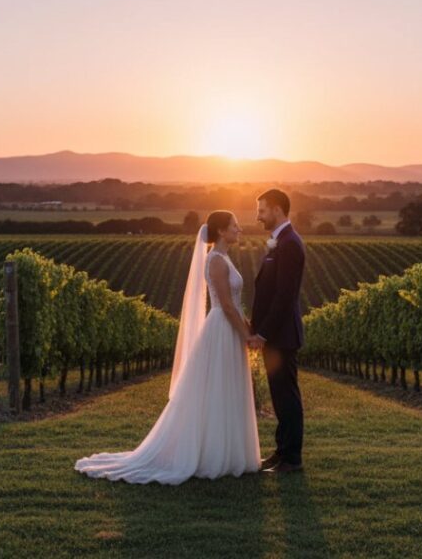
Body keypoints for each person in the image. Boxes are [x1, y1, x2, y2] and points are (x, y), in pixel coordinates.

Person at [74, 211, 260, 485]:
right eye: (235, 226)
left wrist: (250, 329)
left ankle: (228, 451)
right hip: (222, 328)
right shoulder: (217, 261)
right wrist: (247, 335)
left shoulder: (225, 258)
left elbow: (236, 303)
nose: (239, 229)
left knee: (227, 387)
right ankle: (214, 454)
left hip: (229, 328)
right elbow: (227, 306)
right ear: (221, 231)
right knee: (218, 388)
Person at [249, 188, 306, 473]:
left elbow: (284, 296)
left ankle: (292, 458)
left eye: (261, 211)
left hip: (281, 336)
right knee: (279, 396)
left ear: (277, 210)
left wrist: (263, 333)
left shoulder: (290, 244)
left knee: (287, 397)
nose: (258, 217)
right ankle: (281, 452)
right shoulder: (280, 241)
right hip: (277, 336)